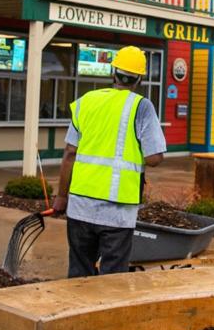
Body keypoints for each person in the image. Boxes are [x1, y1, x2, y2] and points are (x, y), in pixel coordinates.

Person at [51, 45, 166, 277]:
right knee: (113, 280)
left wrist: (61, 197)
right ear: (139, 78)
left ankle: (78, 312)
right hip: (118, 211)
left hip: (80, 207)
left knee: (79, 274)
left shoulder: (86, 102)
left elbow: (69, 154)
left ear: (113, 73)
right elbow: (154, 158)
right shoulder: (141, 107)